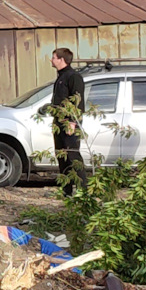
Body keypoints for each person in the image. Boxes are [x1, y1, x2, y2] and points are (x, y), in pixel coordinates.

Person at [48, 46, 90, 192]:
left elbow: (78, 101)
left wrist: (72, 122)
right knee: (62, 156)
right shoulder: (61, 77)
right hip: (58, 122)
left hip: (69, 123)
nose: (51, 60)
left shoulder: (73, 76)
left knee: (72, 155)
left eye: (53, 57)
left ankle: (83, 190)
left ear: (61, 60)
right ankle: (66, 191)